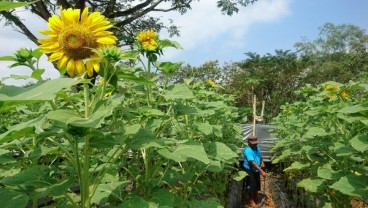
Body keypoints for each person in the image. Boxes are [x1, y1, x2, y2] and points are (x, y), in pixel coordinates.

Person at [243, 135, 267, 208]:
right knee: (251, 185)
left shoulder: (257, 148)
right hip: (249, 169)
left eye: (256, 143)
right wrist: (261, 171)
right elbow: (252, 162)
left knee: (256, 183)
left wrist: (262, 162)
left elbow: (260, 156)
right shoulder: (248, 150)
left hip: (256, 169)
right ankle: (251, 200)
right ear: (249, 143)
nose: (255, 144)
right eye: (254, 143)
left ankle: (255, 196)